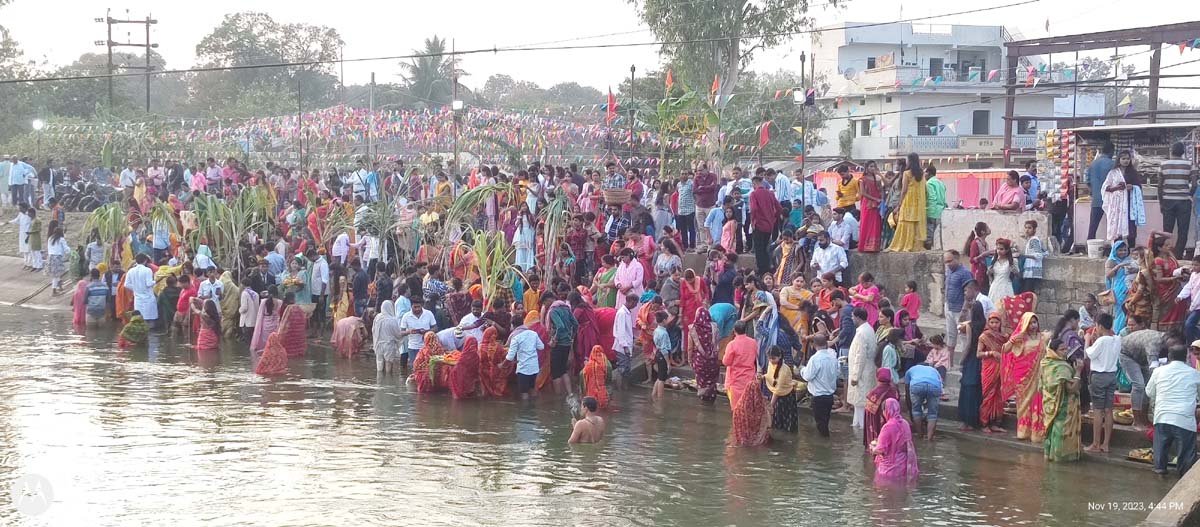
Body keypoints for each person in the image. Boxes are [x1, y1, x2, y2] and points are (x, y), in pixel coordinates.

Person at [1146, 344, 1200, 476]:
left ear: (1169, 357)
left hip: (1162, 417)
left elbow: (1149, 392)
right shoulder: (1195, 374)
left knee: (1160, 458)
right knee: (1186, 460)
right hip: (1184, 420)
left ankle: (1159, 479)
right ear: (1187, 356)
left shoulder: (1158, 371)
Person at [1004, 313, 1048, 442]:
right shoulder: (1020, 338)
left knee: (1038, 403)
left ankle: (1037, 433)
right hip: (1023, 379)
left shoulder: (1043, 338)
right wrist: (1013, 339)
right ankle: (1023, 431)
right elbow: (1005, 350)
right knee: (1024, 405)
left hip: (1039, 377)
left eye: (1035, 322)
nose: (1033, 325)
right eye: (1030, 323)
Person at [1041, 337, 1082, 462]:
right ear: (1054, 351)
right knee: (1061, 430)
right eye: (1062, 349)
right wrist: (1078, 372)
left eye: (1066, 348)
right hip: (1063, 406)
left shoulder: (1046, 363)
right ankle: (1061, 457)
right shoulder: (1062, 368)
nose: (1065, 351)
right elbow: (1070, 389)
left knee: (1051, 428)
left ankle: (1049, 455)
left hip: (1049, 404)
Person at [1084, 313, 1119, 453]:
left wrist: (1087, 340)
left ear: (1099, 326)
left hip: (1099, 376)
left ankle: (1096, 444)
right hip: (1111, 376)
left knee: (1098, 410)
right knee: (1109, 410)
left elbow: (1089, 354)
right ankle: (1106, 444)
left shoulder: (1101, 341)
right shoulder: (1117, 339)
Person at [1159, 142, 1195, 258]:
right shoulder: (1190, 164)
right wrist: (1189, 195)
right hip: (1184, 201)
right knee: (1183, 230)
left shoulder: (1163, 164)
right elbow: (1194, 185)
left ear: (1171, 151)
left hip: (1167, 200)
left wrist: (1161, 202)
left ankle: (1165, 255)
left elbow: (1160, 186)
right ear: (1183, 152)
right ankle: (1178, 256)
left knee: (1167, 230)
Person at [870, 399, 919, 483]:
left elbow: (880, 450)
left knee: (884, 493)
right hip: (904, 467)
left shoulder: (887, 427)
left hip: (889, 469)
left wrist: (872, 448)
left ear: (886, 411)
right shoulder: (905, 424)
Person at [886, 153, 927, 252]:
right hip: (918, 203)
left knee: (904, 222)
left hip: (908, 201)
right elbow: (924, 189)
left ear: (910, 161)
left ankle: (903, 244)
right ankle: (914, 245)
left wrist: (899, 205)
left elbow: (904, 190)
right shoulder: (922, 174)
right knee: (915, 223)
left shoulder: (907, 173)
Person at [977, 312, 1009, 433]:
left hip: (1001, 367)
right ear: (988, 323)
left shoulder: (1004, 337)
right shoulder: (984, 337)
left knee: (1000, 396)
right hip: (989, 368)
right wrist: (991, 353)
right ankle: (984, 423)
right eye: (992, 322)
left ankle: (996, 423)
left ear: (1000, 323)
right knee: (988, 396)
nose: (994, 325)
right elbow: (978, 354)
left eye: (997, 322)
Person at [847, 307, 878, 429]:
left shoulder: (862, 333)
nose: (852, 318)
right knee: (858, 403)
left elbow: (860, 356)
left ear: (858, 318)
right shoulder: (868, 329)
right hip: (867, 369)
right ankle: (856, 424)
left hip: (862, 372)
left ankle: (861, 428)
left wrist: (855, 376)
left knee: (860, 402)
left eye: (853, 316)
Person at [748, 175, 782, 274]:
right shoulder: (770, 193)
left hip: (759, 224)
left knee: (759, 250)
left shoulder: (754, 194)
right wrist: (774, 218)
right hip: (769, 225)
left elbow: (753, 209)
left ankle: (762, 271)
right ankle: (767, 268)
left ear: (754, 183)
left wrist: (753, 221)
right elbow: (779, 208)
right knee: (765, 248)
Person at [723, 321, 759, 410]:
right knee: (748, 407)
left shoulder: (732, 344)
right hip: (749, 378)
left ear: (734, 331)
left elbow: (726, 362)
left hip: (735, 380)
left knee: (737, 409)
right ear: (745, 330)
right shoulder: (753, 342)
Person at [505, 320, 544, 400]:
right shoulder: (533, 334)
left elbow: (510, 357)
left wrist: (502, 364)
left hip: (523, 369)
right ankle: (534, 407)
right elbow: (541, 347)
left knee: (524, 392)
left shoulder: (516, 338)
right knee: (532, 388)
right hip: (534, 367)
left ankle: (526, 411)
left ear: (513, 326)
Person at [904, 362, 943, 441]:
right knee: (932, 414)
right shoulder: (934, 370)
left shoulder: (911, 370)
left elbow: (907, 391)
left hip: (917, 385)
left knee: (916, 411)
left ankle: (920, 435)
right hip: (934, 386)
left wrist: (910, 408)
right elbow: (941, 384)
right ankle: (929, 439)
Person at [864, 367, 899, 449]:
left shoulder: (874, 393)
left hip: (876, 424)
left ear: (877, 377)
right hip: (891, 422)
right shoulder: (894, 390)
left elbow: (868, 414)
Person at [1087, 142, 1116, 240]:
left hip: (1096, 200)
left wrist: (1094, 192)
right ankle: (1114, 247)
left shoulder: (1093, 164)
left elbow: (1088, 182)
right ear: (1111, 151)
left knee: (1093, 227)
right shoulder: (1113, 164)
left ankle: (1090, 246)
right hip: (1110, 200)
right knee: (1113, 225)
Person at [1107, 241, 1135, 332]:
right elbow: (1108, 275)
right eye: (1120, 250)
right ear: (1115, 251)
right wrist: (1118, 266)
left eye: (1125, 250)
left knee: (1128, 310)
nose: (1123, 252)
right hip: (1118, 290)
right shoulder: (1112, 261)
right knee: (1120, 312)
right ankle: (1117, 332)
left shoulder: (1129, 259)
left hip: (1130, 288)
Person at [1102, 152, 1130, 243]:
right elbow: (1105, 187)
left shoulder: (1132, 172)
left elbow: (1138, 185)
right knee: (1114, 225)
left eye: (1128, 159)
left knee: (1127, 226)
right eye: (1123, 159)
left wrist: (1132, 187)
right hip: (1115, 203)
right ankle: (1115, 248)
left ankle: (1127, 249)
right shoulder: (1113, 173)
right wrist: (1117, 188)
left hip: (1128, 202)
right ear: (1119, 160)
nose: (1126, 161)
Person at [125, 254, 158, 327]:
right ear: (145, 260)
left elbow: (126, 284)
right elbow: (149, 284)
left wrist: (135, 288)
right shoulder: (147, 270)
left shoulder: (131, 271)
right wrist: (156, 281)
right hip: (148, 298)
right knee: (150, 321)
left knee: (140, 320)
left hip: (138, 299)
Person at [988, 238, 1017, 306]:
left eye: (1001, 249)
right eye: (997, 249)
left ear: (1007, 250)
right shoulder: (994, 260)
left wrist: (1015, 271)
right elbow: (991, 278)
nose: (999, 251)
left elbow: (1018, 275)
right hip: (995, 287)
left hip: (1006, 288)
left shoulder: (1012, 261)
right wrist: (989, 273)